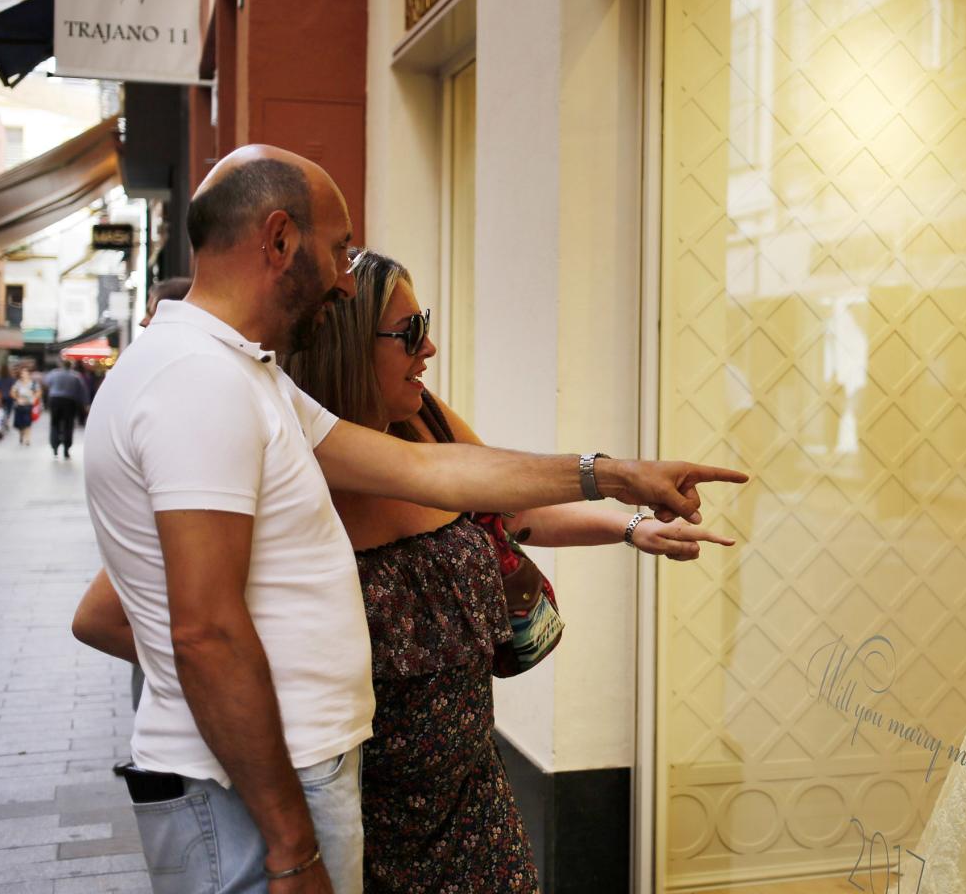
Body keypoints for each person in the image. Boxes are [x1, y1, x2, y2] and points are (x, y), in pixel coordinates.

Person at [69, 144, 746, 894]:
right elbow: (202, 631)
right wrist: (291, 848)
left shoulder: (239, 375)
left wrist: (617, 478)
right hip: (258, 792)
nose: (342, 276)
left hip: (343, 782)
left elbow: (429, 471)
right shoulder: (198, 383)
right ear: (280, 239)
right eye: (339, 248)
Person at [274, 250, 736, 892]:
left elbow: (516, 512)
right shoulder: (289, 465)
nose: (429, 347)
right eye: (409, 331)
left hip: (473, 803)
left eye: (426, 324)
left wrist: (633, 526)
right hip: (353, 810)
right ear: (348, 347)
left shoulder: (427, 424)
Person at [42, 363, 91, 458]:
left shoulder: (54, 373)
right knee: (68, 425)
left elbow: (46, 382)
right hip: (69, 401)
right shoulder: (76, 376)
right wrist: (86, 403)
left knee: (54, 424)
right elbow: (82, 390)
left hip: (55, 399)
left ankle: (55, 446)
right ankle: (66, 448)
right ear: (71, 366)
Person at [9, 368, 40, 446]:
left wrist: (34, 398)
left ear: (28, 374)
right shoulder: (18, 383)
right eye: (22, 373)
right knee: (20, 424)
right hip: (19, 405)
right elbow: (12, 392)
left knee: (27, 423)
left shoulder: (33, 383)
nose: (24, 375)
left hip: (29, 405)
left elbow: (38, 392)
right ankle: (21, 434)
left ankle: (27, 439)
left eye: (25, 373)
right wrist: (17, 398)